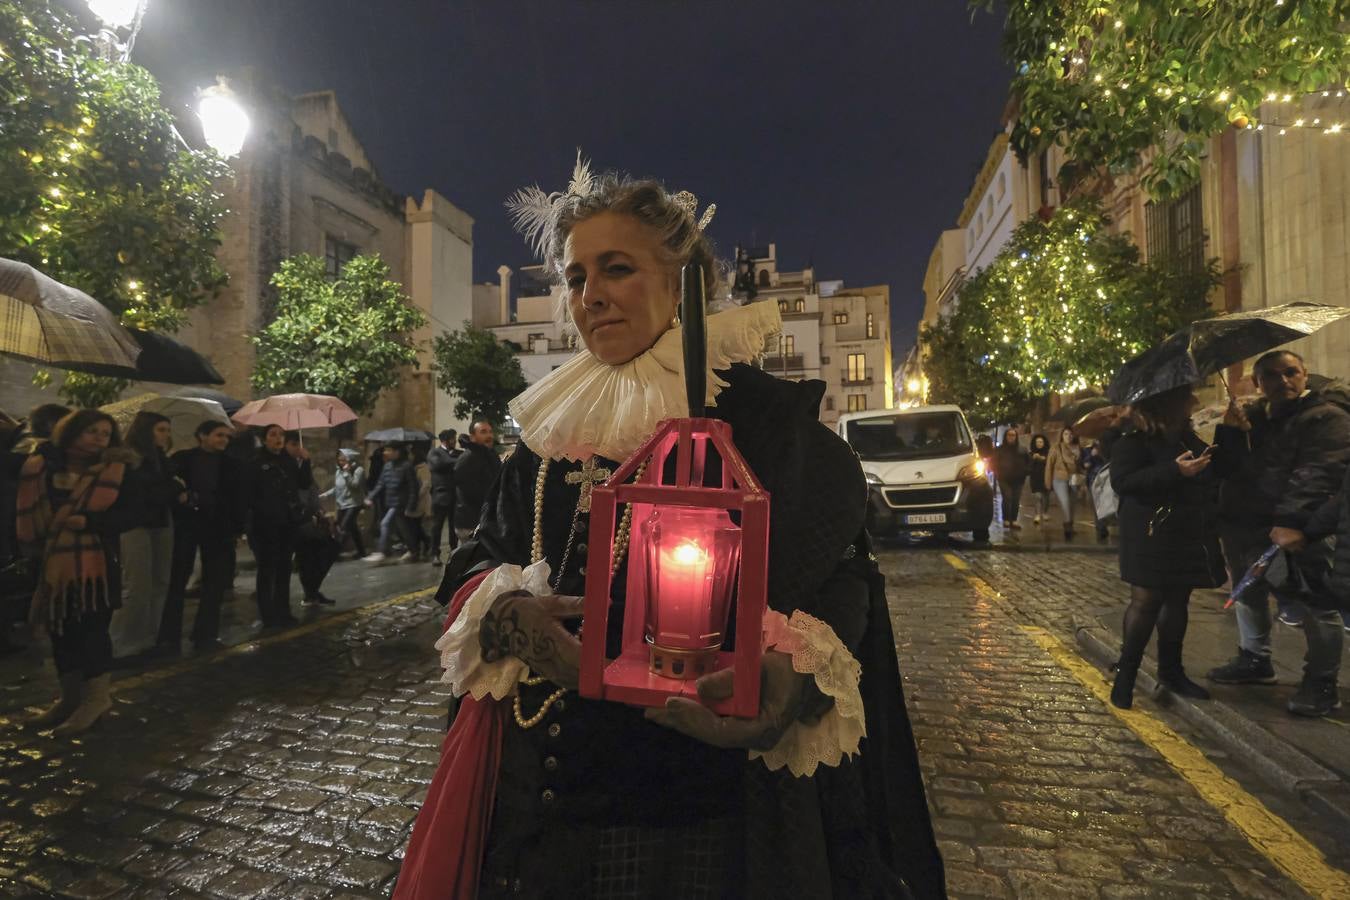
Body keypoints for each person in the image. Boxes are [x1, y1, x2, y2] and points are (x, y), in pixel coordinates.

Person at [394, 165, 943, 898]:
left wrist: (793, 681)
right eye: (576, 276)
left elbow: (843, 583)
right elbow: (478, 554)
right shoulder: (550, 429)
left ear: (687, 283)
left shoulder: (767, 427)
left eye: (616, 268)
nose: (590, 294)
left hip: (707, 811)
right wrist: (511, 615)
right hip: (548, 798)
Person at [1207, 352, 1350, 716]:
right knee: (1249, 592)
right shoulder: (1252, 418)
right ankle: (1254, 660)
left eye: (1291, 372)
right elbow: (1227, 468)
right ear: (1258, 383)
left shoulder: (1325, 419)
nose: (1283, 381)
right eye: (1271, 375)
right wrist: (1229, 431)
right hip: (1248, 527)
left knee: (1316, 605)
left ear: (1304, 376)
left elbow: (1319, 473)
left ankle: (1321, 682)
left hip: (1298, 530)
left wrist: (1293, 522)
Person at [16, 410, 134, 735]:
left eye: (105, 433)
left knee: (91, 630)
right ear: (70, 432)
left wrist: (92, 522)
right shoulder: (39, 466)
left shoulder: (117, 469)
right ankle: (70, 698)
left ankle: (96, 700)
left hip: (96, 565)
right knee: (61, 630)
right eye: (91, 431)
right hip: (50, 563)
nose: (98, 438)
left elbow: (137, 512)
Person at [1107, 386, 1225, 709]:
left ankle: (1171, 672)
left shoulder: (1188, 439)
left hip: (1184, 532)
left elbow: (1218, 469)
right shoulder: (1132, 443)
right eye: (1188, 397)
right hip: (1148, 533)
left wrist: (1234, 431)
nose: (1194, 402)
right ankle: (1126, 675)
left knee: (1178, 599)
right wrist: (1175, 471)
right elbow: (1125, 482)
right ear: (1169, 404)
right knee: (1145, 602)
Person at [160, 420, 243, 653]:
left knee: (214, 583)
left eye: (226, 437)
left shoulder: (231, 463)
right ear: (202, 436)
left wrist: (237, 528)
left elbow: (238, 496)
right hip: (187, 525)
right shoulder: (182, 459)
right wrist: (182, 495)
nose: (224, 441)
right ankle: (169, 637)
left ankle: (206, 634)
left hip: (219, 528)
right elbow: (167, 484)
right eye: (218, 435)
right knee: (177, 580)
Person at [108, 412, 179, 659]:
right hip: (136, 524)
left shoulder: (161, 458)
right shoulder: (130, 459)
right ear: (146, 430)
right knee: (137, 585)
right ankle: (120, 644)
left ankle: (147, 638)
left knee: (159, 582)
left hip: (161, 522)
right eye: (161, 429)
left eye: (168, 430)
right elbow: (142, 492)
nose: (166, 435)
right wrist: (173, 488)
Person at [244, 424, 310, 628]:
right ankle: (267, 615)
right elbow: (250, 494)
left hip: (287, 522)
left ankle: (283, 611)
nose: (278, 438)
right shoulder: (255, 461)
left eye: (281, 435)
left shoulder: (288, 460)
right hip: (265, 524)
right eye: (273, 435)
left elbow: (303, 484)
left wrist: (305, 461)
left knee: (284, 568)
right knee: (267, 570)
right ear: (264, 439)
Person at [288, 434, 338, 606]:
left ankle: (312, 592)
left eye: (298, 444)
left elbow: (311, 490)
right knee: (310, 555)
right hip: (297, 521)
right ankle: (310, 592)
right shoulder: (287, 467)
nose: (298, 448)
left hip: (309, 519)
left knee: (317, 554)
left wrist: (320, 511)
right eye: (293, 444)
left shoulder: (302, 465)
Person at [364, 443, 420, 564]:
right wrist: (370, 497)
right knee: (403, 529)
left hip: (401, 503)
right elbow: (381, 483)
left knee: (385, 524)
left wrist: (411, 506)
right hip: (391, 502)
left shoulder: (406, 466)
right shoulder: (387, 466)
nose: (385, 452)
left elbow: (413, 487)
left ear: (397, 452)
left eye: (388, 450)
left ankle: (382, 552)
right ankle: (413, 550)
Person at [453, 420, 501, 544]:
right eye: (483, 432)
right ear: (472, 437)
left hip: (485, 520)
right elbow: (469, 491)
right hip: (471, 522)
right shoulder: (468, 458)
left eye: (490, 432)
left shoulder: (490, 455)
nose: (489, 436)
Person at [321, 449, 367, 559]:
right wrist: (325, 495)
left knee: (343, 528)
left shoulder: (358, 470)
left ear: (350, 459)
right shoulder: (339, 471)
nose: (340, 462)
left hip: (353, 503)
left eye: (343, 460)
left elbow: (355, 485)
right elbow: (337, 488)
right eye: (339, 460)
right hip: (342, 504)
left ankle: (333, 553)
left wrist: (347, 473)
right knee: (352, 528)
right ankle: (362, 551)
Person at [427, 429, 460, 565]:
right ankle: (435, 553)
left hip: (455, 496)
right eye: (452, 439)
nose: (455, 441)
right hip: (440, 496)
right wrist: (455, 461)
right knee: (437, 526)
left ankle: (453, 552)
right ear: (444, 440)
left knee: (454, 527)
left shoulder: (457, 453)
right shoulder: (435, 453)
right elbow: (438, 464)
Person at [1045, 427, 1082, 540]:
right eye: (1066, 434)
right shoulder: (1056, 448)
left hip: (1074, 478)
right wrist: (1048, 482)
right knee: (1065, 502)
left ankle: (1070, 524)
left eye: (1071, 434)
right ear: (1062, 435)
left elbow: (1080, 465)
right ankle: (1067, 527)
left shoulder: (1077, 448)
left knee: (1072, 504)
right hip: (1059, 478)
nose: (1069, 436)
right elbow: (1049, 465)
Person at [992, 428, 1028, 529]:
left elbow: (1028, 462)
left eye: (1013, 435)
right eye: (1009, 435)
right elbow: (993, 462)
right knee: (1007, 498)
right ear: (1005, 436)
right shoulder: (999, 450)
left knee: (1016, 499)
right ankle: (1006, 519)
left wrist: (1025, 471)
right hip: (1004, 478)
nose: (1011, 437)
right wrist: (998, 473)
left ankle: (1014, 519)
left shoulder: (1022, 450)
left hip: (1018, 478)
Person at [1027, 433, 1052, 525]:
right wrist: (1033, 459)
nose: (1039, 443)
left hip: (1047, 477)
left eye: (1041, 442)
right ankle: (1037, 514)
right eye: (1037, 442)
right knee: (1038, 496)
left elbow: (1051, 464)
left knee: (1046, 497)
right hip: (1035, 478)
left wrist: (1043, 459)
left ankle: (1045, 512)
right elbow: (1028, 466)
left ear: (1044, 443)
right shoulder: (1031, 454)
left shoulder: (1049, 453)